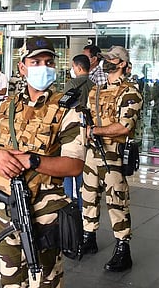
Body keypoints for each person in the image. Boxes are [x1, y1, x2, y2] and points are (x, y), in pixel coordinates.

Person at [0, 36, 85, 287]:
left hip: (46, 215)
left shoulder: (67, 109)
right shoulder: (6, 107)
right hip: (8, 210)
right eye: (35, 62)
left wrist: (32, 161)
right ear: (22, 68)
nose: (43, 67)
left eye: (48, 62)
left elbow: (74, 165)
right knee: (10, 281)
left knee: (45, 281)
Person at [80, 45, 142, 272]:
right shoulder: (95, 90)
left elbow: (124, 126)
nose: (106, 62)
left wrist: (95, 131)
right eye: (105, 58)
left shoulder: (130, 92)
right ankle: (88, 237)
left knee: (116, 200)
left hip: (114, 154)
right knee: (88, 196)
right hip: (92, 153)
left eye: (112, 59)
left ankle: (123, 247)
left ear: (123, 64)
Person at [62, 54, 94, 208]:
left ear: (79, 68)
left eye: (73, 66)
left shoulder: (72, 84)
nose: (72, 69)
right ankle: (83, 208)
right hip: (90, 132)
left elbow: (63, 107)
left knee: (68, 169)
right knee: (84, 170)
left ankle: (69, 204)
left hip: (73, 132)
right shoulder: (95, 85)